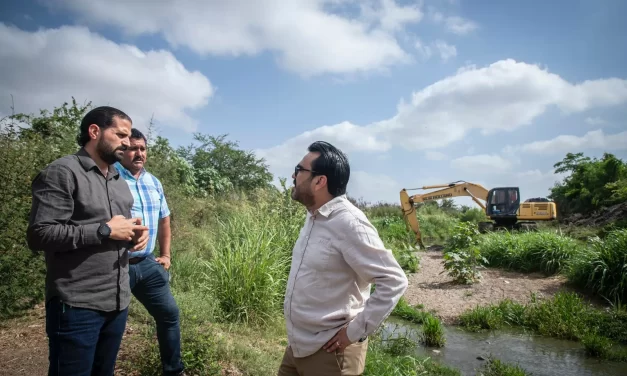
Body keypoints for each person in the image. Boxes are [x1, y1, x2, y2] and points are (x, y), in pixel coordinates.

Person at [27, 106, 149, 376]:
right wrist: (104, 231)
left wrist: (134, 233)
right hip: (76, 304)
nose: (127, 143)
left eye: (129, 137)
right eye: (120, 134)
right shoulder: (62, 172)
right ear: (95, 131)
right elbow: (40, 234)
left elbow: (117, 230)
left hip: (117, 301)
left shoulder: (118, 179)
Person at [279, 141, 409, 375]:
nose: (293, 175)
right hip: (298, 346)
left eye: (299, 170)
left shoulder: (349, 222)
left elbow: (394, 280)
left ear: (320, 181)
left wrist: (354, 332)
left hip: (330, 354)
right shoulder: (315, 216)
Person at [114, 128, 185, 376]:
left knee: (169, 315)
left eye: (142, 148)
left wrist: (165, 256)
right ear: (122, 150)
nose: (138, 153)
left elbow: (164, 219)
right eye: (133, 148)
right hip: (116, 265)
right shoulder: (110, 178)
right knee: (112, 325)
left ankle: (173, 371)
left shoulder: (153, 181)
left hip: (147, 264)